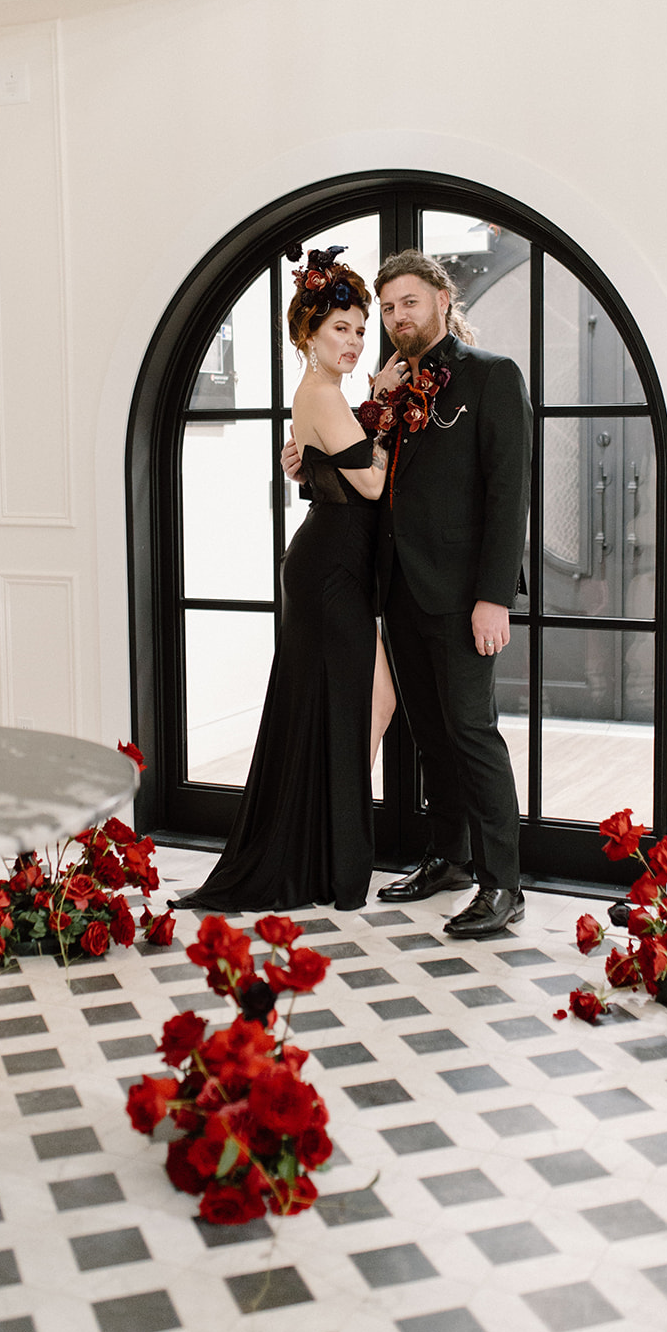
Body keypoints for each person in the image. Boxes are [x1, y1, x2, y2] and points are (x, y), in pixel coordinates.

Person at [284, 247, 531, 938]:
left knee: (470, 732)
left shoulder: (491, 378)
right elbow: (356, 471)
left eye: (407, 303)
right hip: (394, 588)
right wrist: (304, 461)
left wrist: (493, 597)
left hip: (460, 596)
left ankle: (503, 883)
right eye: (386, 308)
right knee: (428, 733)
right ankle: (447, 857)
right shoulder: (388, 390)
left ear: (442, 301)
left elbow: (508, 496)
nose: (395, 318)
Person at [171, 246, 395, 913]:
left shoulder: (328, 398)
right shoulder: (323, 394)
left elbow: (332, 473)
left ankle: (329, 845)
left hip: (332, 562)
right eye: (340, 330)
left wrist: (350, 428)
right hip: (327, 570)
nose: (354, 342)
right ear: (307, 334)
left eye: (359, 330)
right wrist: (382, 410)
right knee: (362, 701)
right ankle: (331, 852)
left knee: (367, 700)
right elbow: (375, 482)